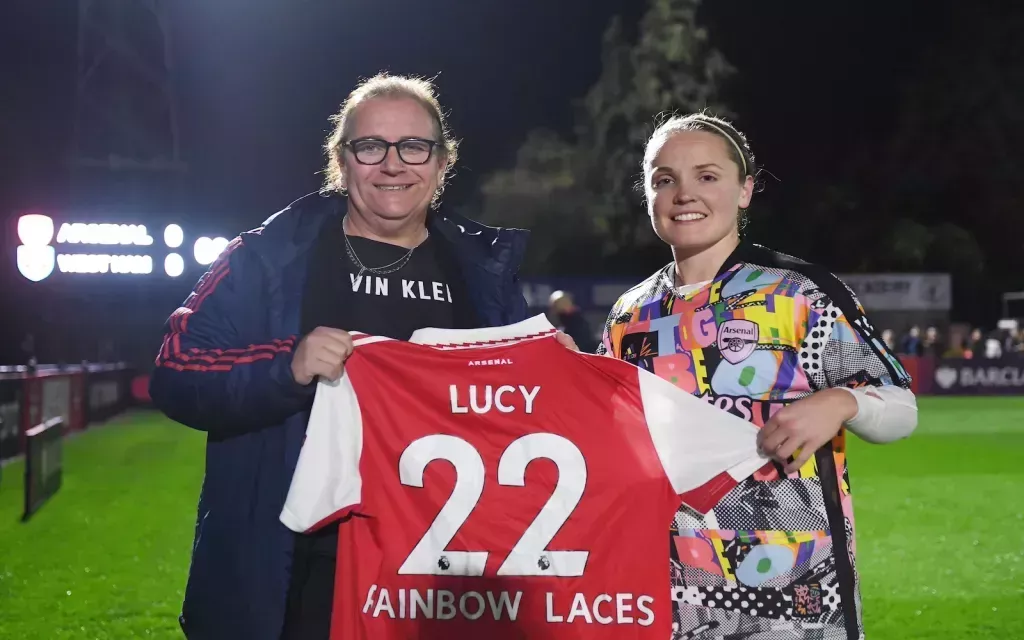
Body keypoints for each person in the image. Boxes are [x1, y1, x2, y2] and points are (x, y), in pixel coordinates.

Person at [149, 72, 574, 640]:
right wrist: (287, 366)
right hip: (297, 575)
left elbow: (517, 418)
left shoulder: (484, 275)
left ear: (442, 162)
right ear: (342, 159)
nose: (393, 165)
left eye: (414, 147)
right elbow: (175, 371)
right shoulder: (267, 257)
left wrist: (559, 373)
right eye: (370, 146)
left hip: (440, 581)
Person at [598, 112, 918, 639]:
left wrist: (843, 402)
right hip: (667, 589)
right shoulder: (630, 314)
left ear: (745, 190)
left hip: (793, 596)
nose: (683, 194)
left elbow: (901, 410)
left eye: (707, 176)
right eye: (664, 179)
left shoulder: (800, 293)